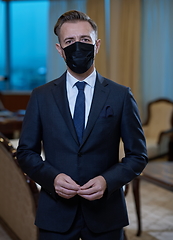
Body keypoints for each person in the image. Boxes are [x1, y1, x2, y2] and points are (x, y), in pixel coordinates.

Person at [17, 10, 148, 240]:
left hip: (106, 215)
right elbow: (26, 152)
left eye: (85, 40)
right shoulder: (41, 96)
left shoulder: (121, 96)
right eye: (69, 41)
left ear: (96, 45)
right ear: (60, 49)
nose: (78, 46)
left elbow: (138, 155)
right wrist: (52, 179)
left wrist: (108, 181)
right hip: (55, 215)